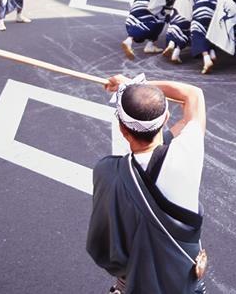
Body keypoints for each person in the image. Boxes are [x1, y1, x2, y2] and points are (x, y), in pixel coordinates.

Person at [88, 75, 207, 294]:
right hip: (184, 283)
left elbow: (102, 247)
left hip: (136, 283)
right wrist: (133, 85)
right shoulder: (188, 152)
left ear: (123, 130)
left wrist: (131, 88)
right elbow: (193, 95)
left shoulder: (107, 172)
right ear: (166, 117)